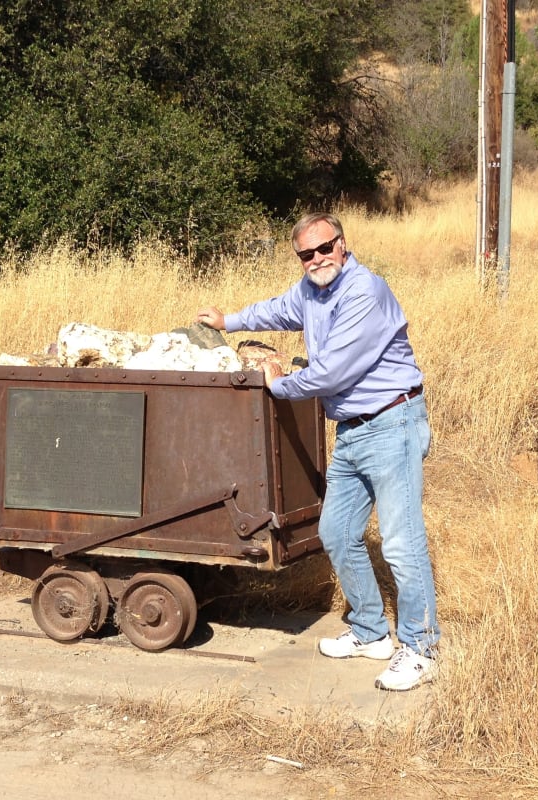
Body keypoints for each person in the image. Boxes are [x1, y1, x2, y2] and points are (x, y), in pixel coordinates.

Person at [196, 211, 439, 691]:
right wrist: (229, 320)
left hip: (392, 424)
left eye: (324, 248)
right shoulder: (312, 290)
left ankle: (421, 647)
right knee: (337, 531)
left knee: (401, 542)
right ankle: (371, 632)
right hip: (351, 430)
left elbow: (330, 375)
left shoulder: (363, 292)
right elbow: (279, 310)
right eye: (306, 254)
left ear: (342, 244)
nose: (316, 259)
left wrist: (279, 383)